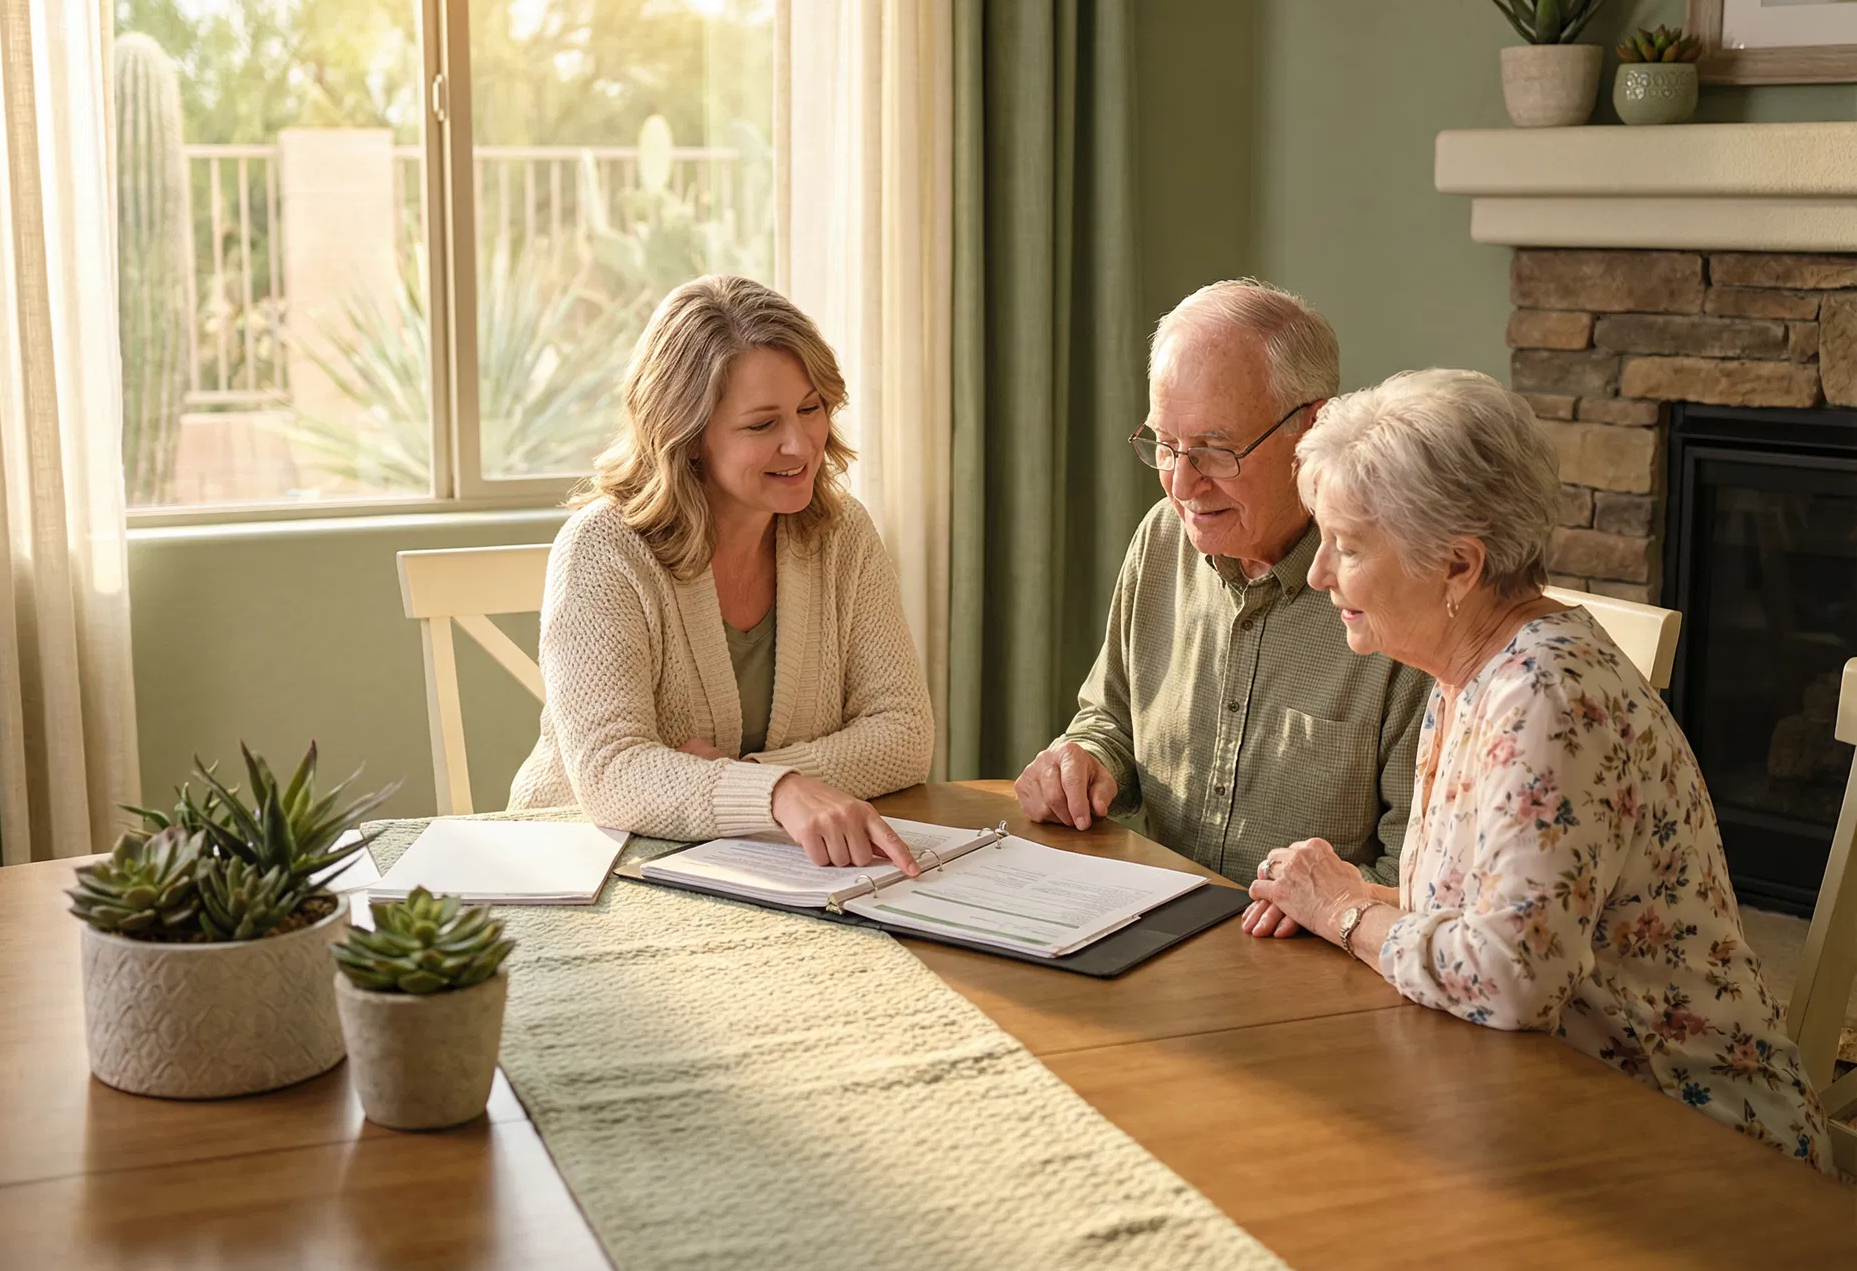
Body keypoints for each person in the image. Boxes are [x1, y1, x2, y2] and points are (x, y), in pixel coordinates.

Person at [1247, 367, 1828, 1166]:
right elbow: (1489, 915)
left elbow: (1510, 976)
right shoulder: (1464, 673)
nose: (1318, 576)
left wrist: (1344, 917)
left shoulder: (1546, 697)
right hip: (1543, 1092)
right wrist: (1351, 893)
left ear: (1458, 567)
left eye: (1345, 547)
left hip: (1694, 1143)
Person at [1015, 281, 1433, 900]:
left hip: (1306, 967)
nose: (1181, 484)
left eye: (1215, 450)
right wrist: (1084, 759)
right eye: (1164, 444)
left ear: (1312, 428)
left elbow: (1412, 878)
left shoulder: (1397, 595)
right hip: (1150, 926)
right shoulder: (1164, 538)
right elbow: (1111, 718)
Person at [508, 274, 934, 874]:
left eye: (810, 409)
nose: (800, 445)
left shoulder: (843, 534)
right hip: (587, 872)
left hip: (765, 870)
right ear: (687, 435)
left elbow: (904, 735)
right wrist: (781, 796)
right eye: (762, 425)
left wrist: (748, 783)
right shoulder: (603, 547)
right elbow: (609, 771)